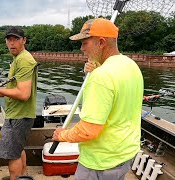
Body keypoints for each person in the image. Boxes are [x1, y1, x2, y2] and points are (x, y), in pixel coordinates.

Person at [52, 18, 144, 180]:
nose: (81, 49)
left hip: (101, 161)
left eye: (85, 43)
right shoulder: (130, 65)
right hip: (124, 153)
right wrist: (97, 68)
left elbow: (88, 132)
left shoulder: (101, 77)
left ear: (101, 42)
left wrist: (62, 135)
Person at [0, 27, 38, 180]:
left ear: (24, 40)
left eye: (16, 39)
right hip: (19, 114)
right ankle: (22, 177)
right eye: (9, 40)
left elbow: (23, 94)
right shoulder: (19, 59)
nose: (12, 43)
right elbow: (13, 90)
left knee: (12, 155)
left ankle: (16, 177)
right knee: (17, 149)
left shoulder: (24, 59)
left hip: (19, 116)